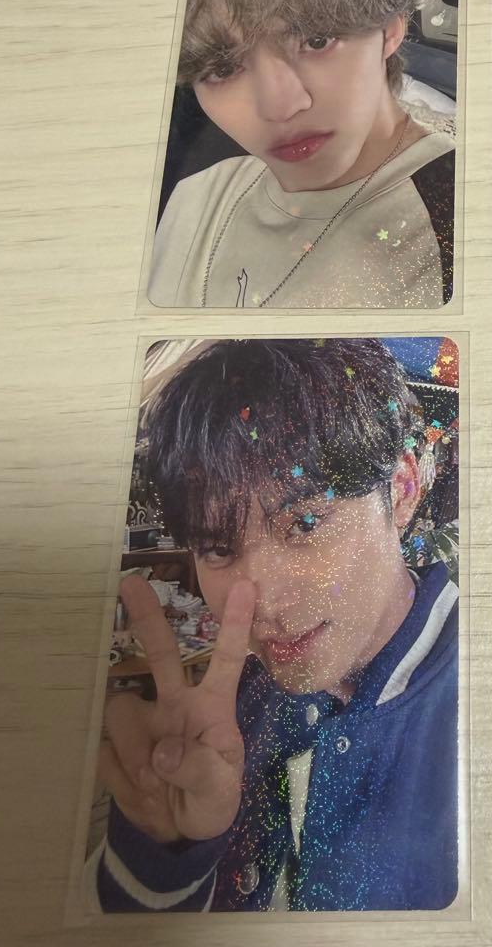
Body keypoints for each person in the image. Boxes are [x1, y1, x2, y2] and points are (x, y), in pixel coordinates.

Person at [85, 339, 458, 911]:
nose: (260, 601)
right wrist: (165, 854)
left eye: (305, 523)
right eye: (218, 548)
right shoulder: (229, 710)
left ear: (402, 489)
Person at [148, 0, 455, 309]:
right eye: (222, 69)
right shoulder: (195, 197)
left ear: (390, 31)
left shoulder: (463, 214)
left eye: (317, 41)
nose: (280, 107)